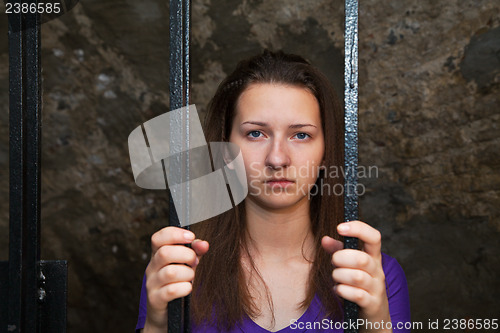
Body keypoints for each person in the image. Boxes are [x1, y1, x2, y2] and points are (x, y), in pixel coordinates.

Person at [136, 50, 410, 332]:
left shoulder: (375, 276)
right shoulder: (177, 270)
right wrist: (157, 324)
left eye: (301, 135)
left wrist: (376, 321)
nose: (277, 159)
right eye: (256, 133)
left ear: (326, 151)